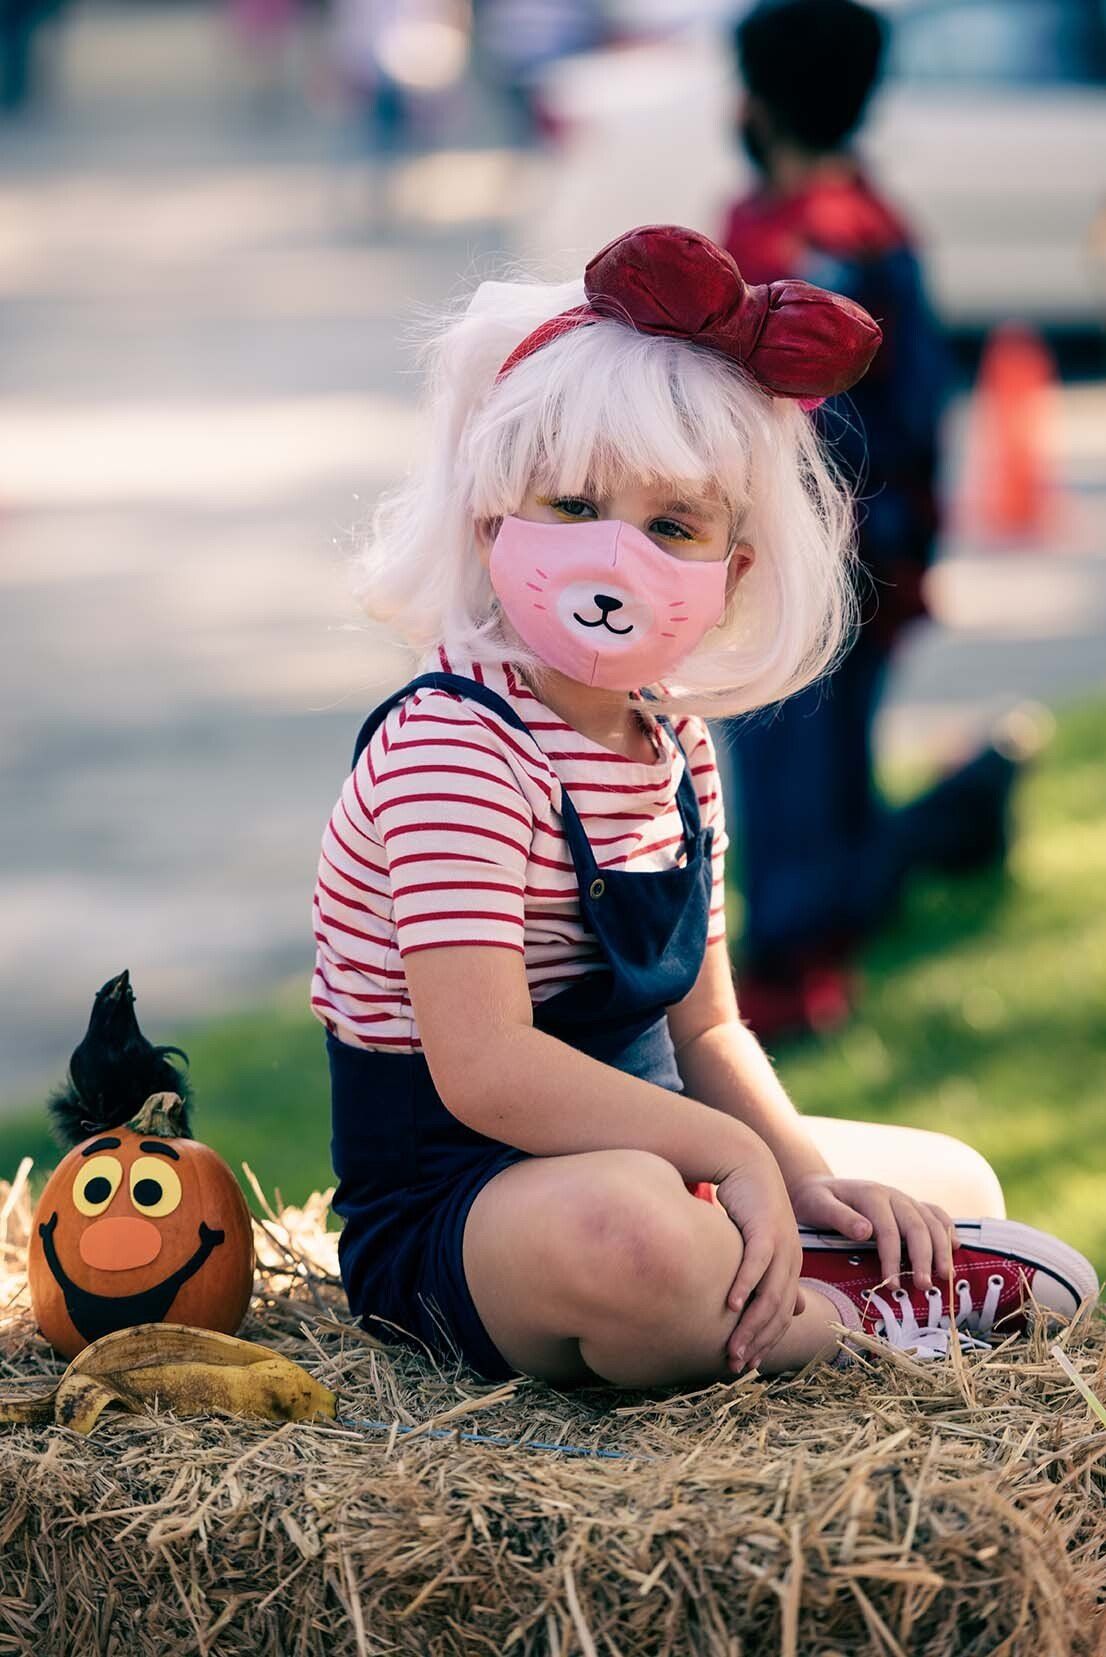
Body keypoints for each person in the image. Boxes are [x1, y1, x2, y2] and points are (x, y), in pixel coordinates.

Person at [309, 224, 1097, 1390]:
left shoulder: (673, 742)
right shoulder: (455, 747)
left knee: (953, 1186)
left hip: (656, 1151)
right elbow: (482, 1069)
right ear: (491, 520)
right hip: (464, 1207)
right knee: (630, 1233)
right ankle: (851, 1337)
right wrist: (725, 1156)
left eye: (670, 524)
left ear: (732, 571)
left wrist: (792, 1170)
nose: (615, 553)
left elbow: (706, 1028)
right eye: (573, 505)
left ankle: (804, 1270)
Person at [716, 0, 1040, 1043]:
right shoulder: (767, 223)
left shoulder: (852, 243)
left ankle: (794, 965)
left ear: (758, 101)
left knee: (793, 782)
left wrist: (893, 562)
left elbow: (900, 422)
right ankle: (965, 798)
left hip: (835, 561)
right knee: (801, 785)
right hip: (763, 551)